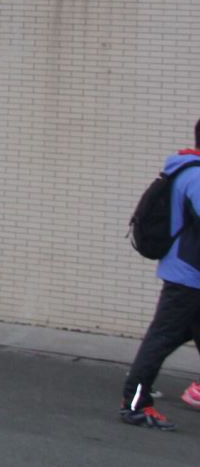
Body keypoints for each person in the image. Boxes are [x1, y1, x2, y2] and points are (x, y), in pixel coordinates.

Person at [120, 120, 200, 431]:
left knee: (167, 336)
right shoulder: (195, 175)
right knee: (160, 339)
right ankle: (135, 404)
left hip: (190, 275)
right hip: (187, 277)